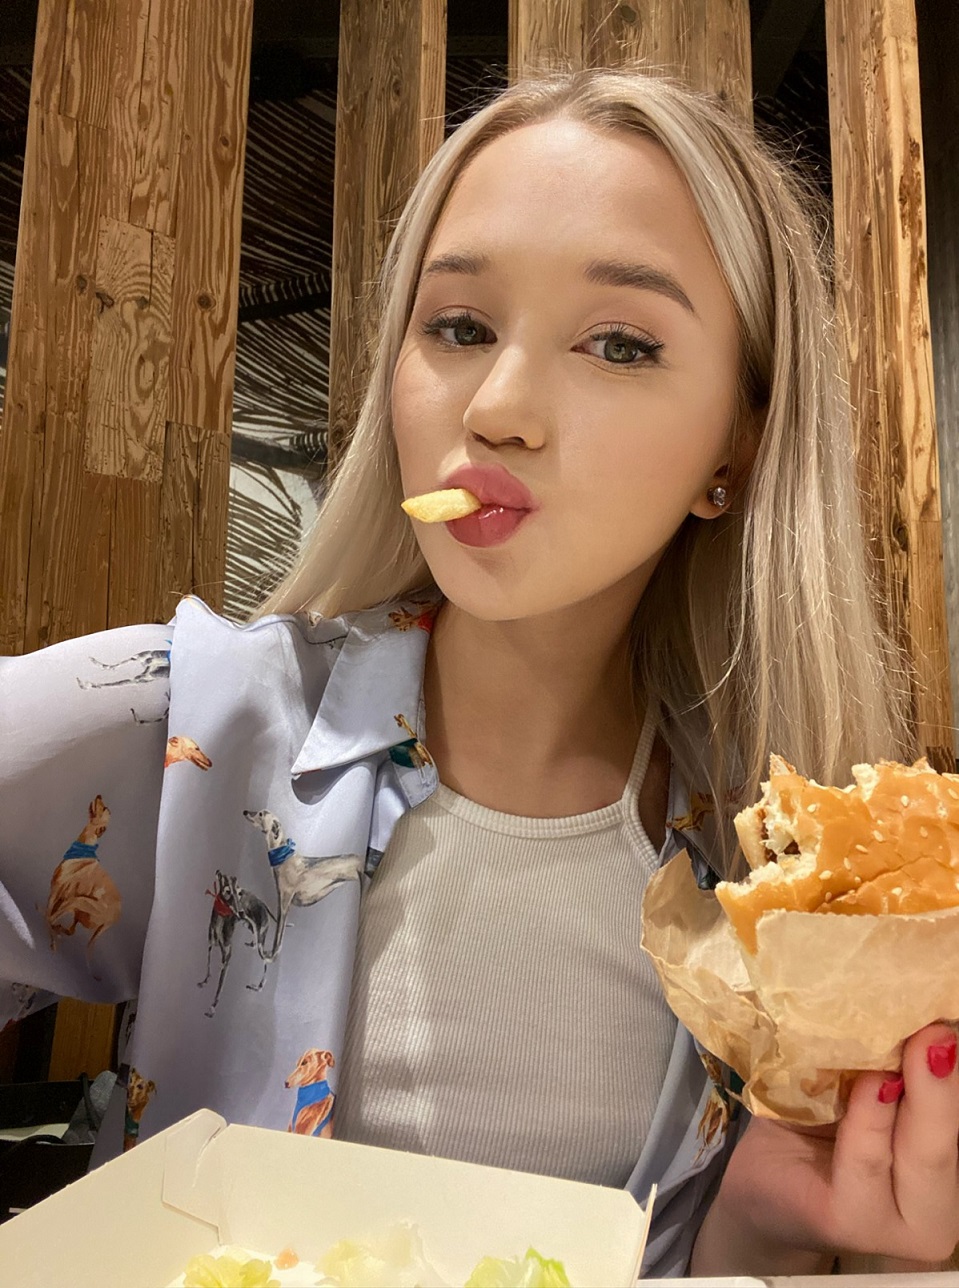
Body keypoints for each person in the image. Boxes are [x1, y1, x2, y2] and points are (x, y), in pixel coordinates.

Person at [0, 65, 956, 1278]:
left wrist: (761, 1233)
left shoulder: (784, 895)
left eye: (618, 343)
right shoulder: (198, 718)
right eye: (457, 327)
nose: (498, 409)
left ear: (735, 444)